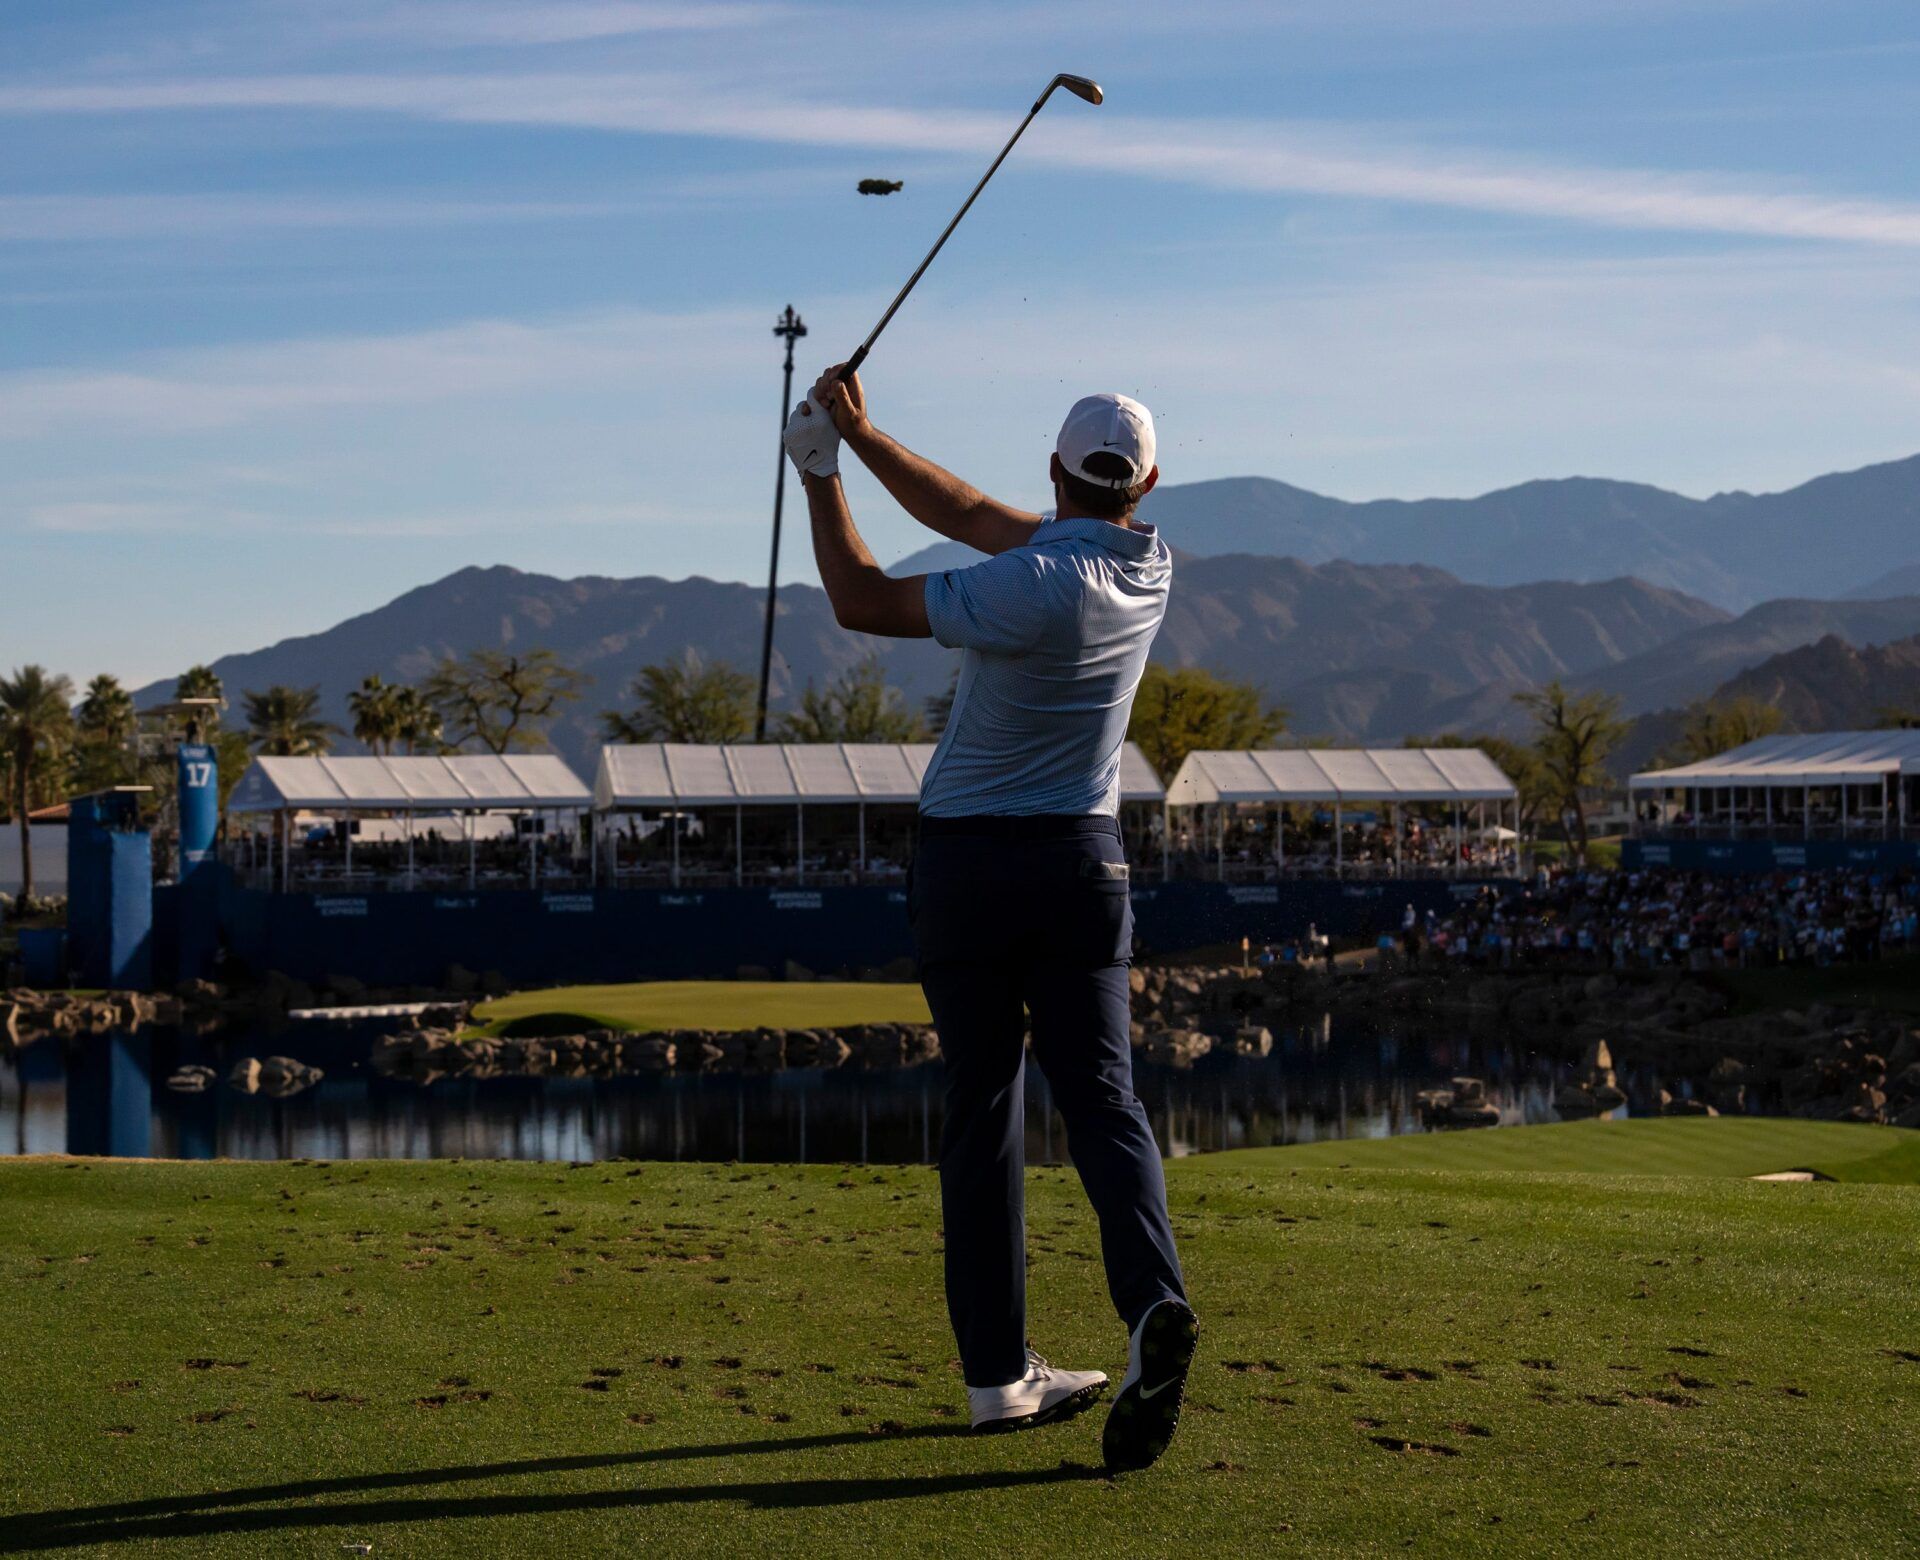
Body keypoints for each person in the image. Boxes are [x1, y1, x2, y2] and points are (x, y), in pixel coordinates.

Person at [781, 367, 1196, 1473]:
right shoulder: (1150, 564)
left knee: (982, 1112)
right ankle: (1154, 1304)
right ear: (1145, 482)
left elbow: (862, 599)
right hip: (1082, 865)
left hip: (969, 866)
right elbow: (964, 514)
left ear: (1057, 471)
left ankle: (997, 1379)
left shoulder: (1028, 586)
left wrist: (819, 474)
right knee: (1105, 1098)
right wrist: (863, 437)